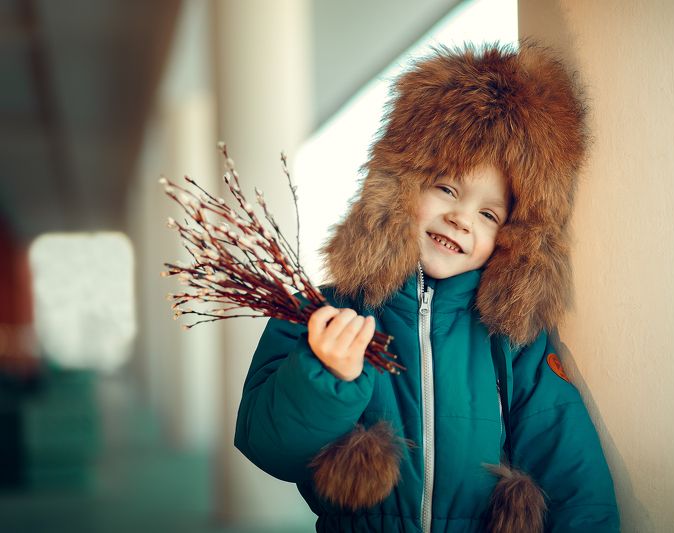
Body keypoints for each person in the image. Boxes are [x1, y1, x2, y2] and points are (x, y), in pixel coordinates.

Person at [235, 42, 619, 532]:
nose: (461, 218)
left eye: (488, 213)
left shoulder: (512, 342)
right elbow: (267, 445)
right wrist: (325, 373)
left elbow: (570, 470)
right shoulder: (326, 315)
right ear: (399, 187)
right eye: (447, 189)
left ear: (510, 238)